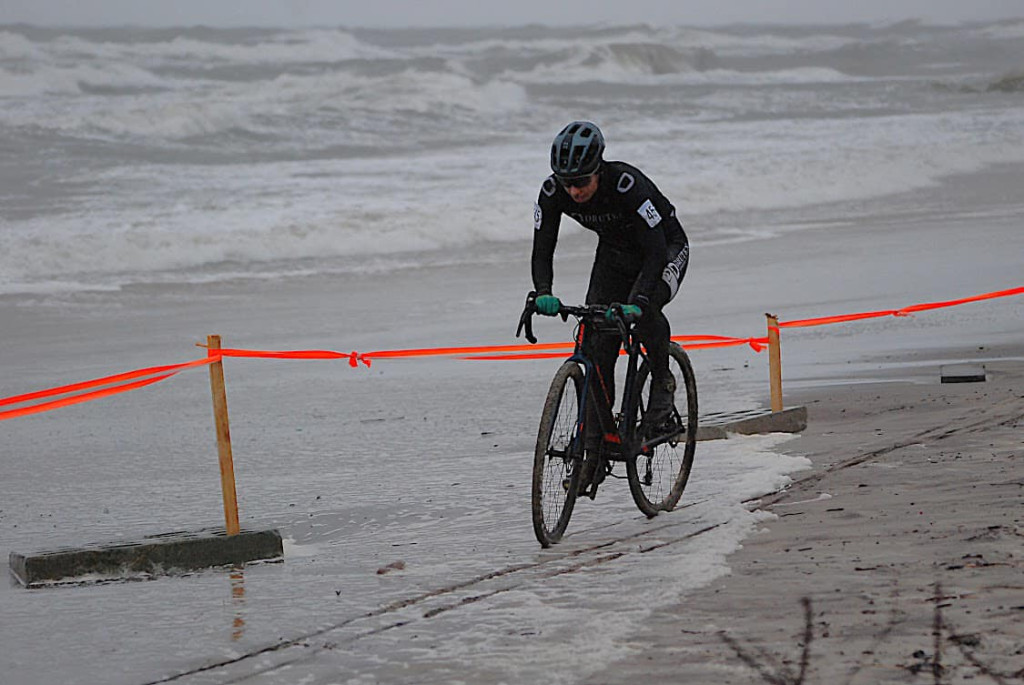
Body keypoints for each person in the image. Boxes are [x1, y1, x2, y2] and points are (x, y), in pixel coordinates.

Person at [530, 120, 689, 444]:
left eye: (581, 182)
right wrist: (544, 292)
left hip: (663, 249)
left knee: (644, 313)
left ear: (599, 169)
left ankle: (662, 381)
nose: (574, 191)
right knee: (597, 339)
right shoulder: (552, 193)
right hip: (614, 256)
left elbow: (656, 250)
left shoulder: (627, 185)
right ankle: (601, 435)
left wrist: (641, 300)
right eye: (566, 182)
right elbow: (542, 249)